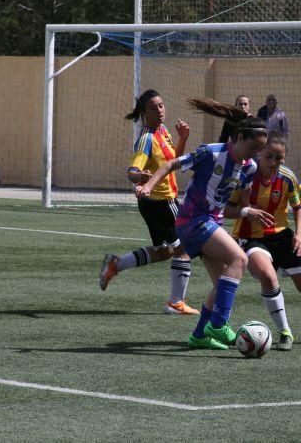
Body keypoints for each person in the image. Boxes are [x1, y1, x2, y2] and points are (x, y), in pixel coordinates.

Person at [136, 97, 270, 350]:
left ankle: (199, 335)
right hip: (191, 221)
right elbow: (170, 164)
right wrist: (148, 185)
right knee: (240, 260)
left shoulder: (248, 168)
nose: (256, 154)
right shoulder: (211, 152)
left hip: (212, 223)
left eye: (260, 150)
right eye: (254, 147)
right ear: (239, 137)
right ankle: (218, 325)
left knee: (222, 285)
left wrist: (246, 211)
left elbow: (229, 209)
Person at [230, 132, 301, 350]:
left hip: (282, 236)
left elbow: (298, 206)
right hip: (250, 238)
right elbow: (226, 209)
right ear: (260, 153)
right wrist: (245, 211)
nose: (273, 162)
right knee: (267, 275)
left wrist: (299, 234)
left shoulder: (287, 177)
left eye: (279, 158)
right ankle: (285, 333)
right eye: (269, 156)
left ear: (284, 158)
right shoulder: (244, 176)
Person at [99, 89, 200, 316]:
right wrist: (140, 177)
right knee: (185, 246)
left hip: (153, 204)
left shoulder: (163, 131)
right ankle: (176, 303)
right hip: (162, 202)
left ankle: (116, 264)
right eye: (153, 108)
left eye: (161, 106)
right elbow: (132, 170)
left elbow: (172, 160)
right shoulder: (146, 138)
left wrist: (183, 138)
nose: (160, 111)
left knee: (164, 252)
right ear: (144, 112)